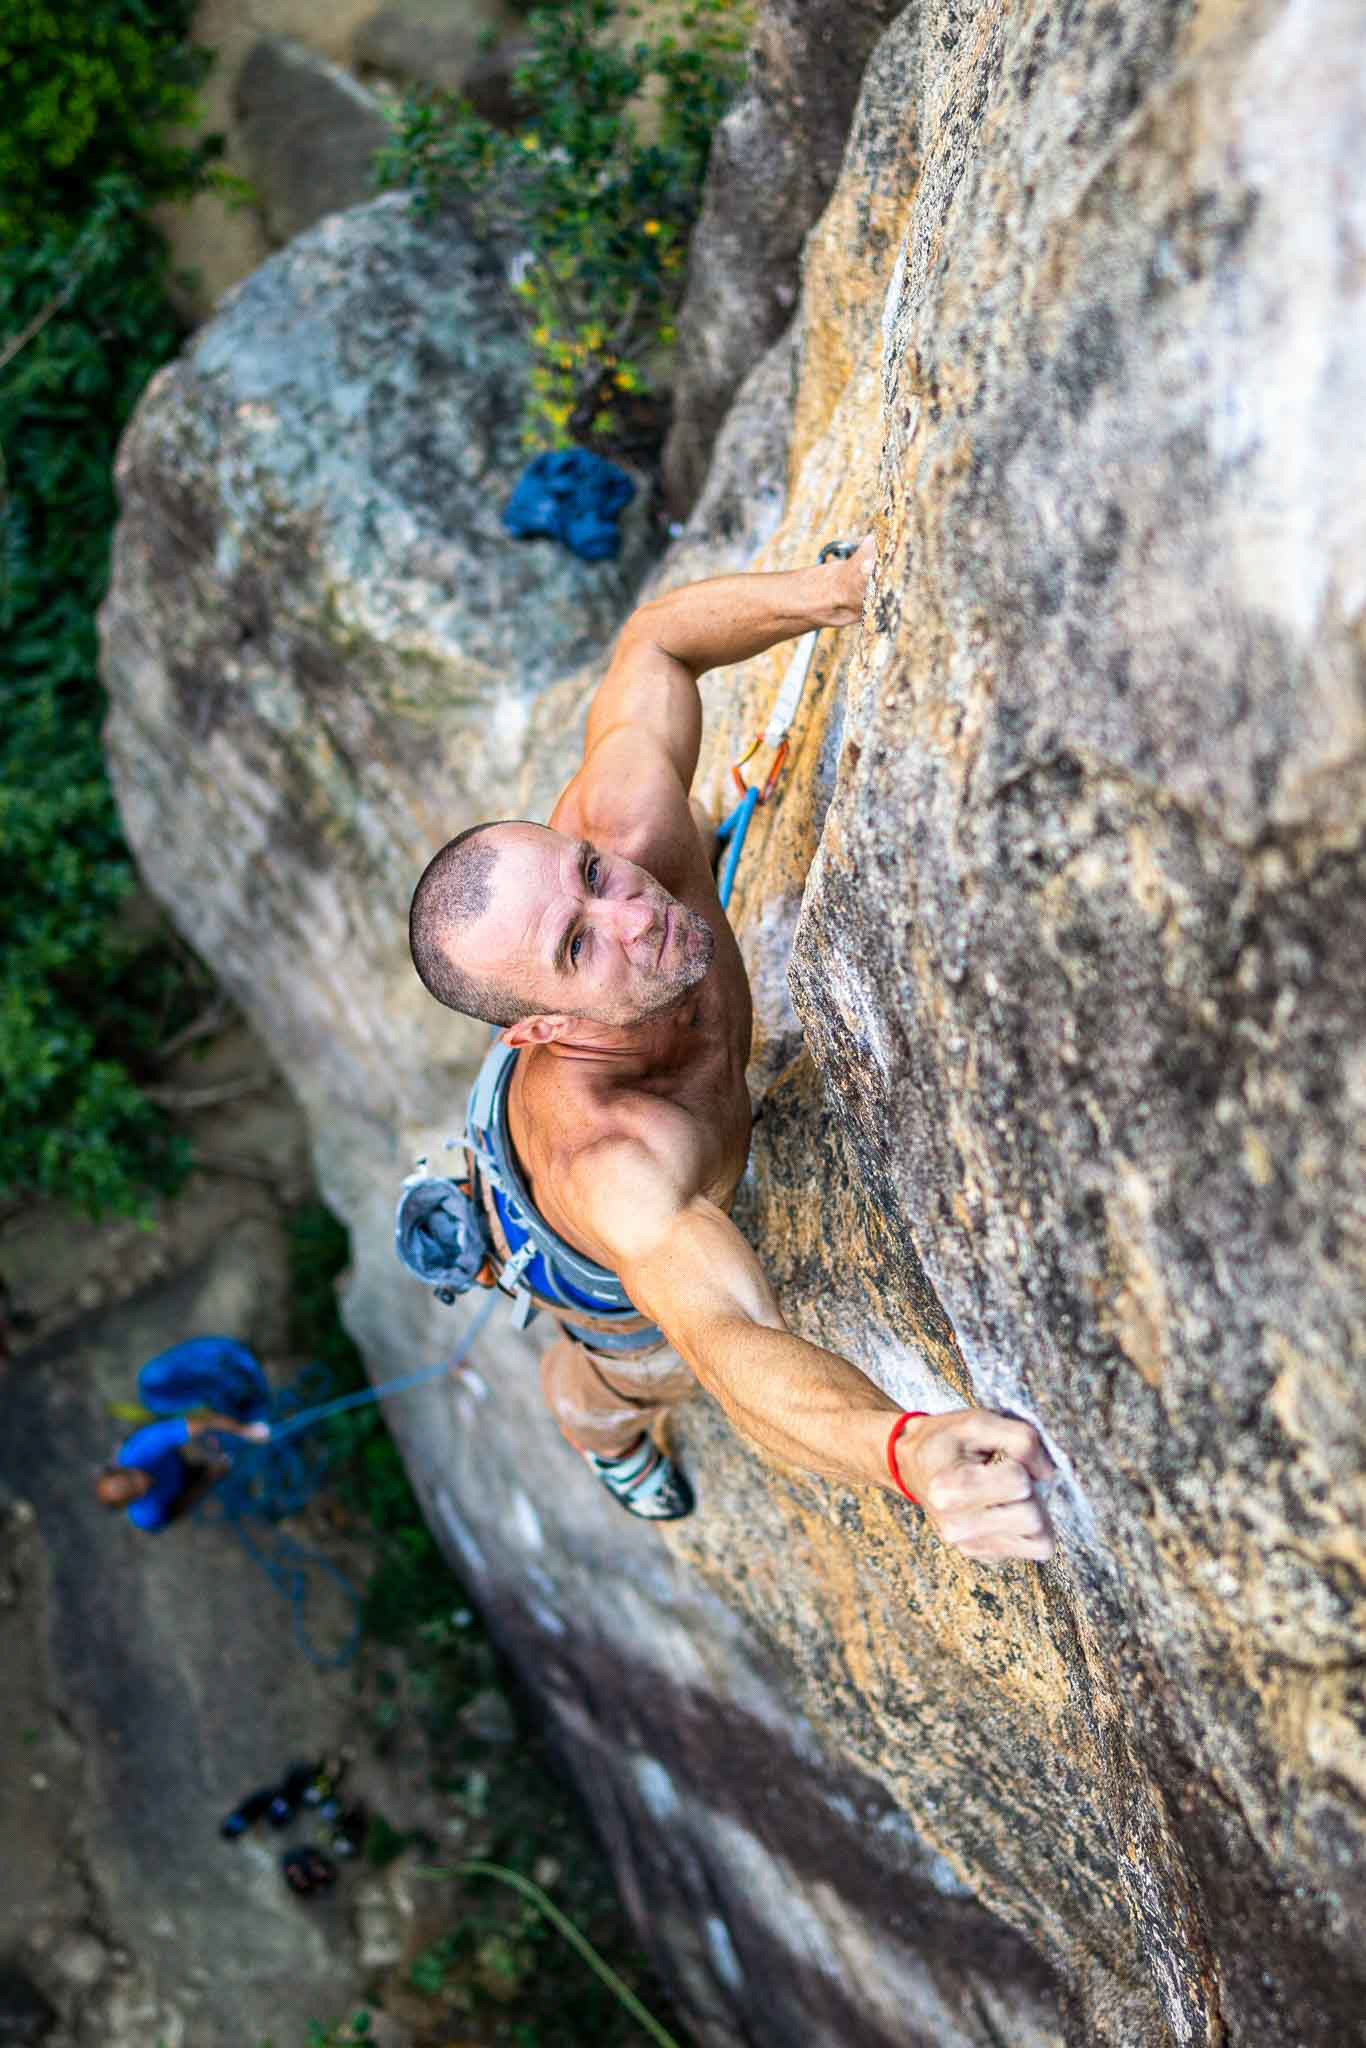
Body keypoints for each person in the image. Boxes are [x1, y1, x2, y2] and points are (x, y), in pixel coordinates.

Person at [407, 539, 1057, 1562]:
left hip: (562, 1065)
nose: (629, 911)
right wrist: (905, 1449)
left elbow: (656, 646)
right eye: (576, 944)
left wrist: (825, 593)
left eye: (588, 872)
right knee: (641, 1373)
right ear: (527, 1028)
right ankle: (593, 1422)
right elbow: (725, 1340)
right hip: (581, 1253)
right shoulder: (623, 1162)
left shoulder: (634, 828)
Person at [95, 1411, 270, 1530]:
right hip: (182, 1484)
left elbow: (204, 1423)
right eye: (135, 1491)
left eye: (132, 1477)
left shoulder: (142, 1448)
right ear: (130, 1504)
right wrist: (210, 1477)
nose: (141, 1482)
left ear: (123, 1468)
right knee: (220, 1470)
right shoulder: (146, 1516)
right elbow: (181, 1507)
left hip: (168, 1457)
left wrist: (246, 1431)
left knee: (193, 1423)